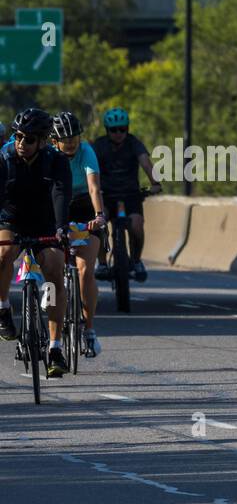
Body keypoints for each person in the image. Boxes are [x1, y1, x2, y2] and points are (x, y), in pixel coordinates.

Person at [0, 109, 72, 377]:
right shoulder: (4, 158)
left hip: (45, 222)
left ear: (43, 141)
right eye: (18, 136)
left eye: (28, 139)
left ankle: (55, 348)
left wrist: (62, 227)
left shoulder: (56, 160)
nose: (21, 143)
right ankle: (3, 308)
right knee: (4, 252)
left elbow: (61, 194)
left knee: (54, 269)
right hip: (12, 218)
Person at [51, 111, 107, 356]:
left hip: (84, 207)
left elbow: (94, 187)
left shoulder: (87, 151)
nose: (71, 141)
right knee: (50, 263)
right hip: (56, 205)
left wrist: (99, 216)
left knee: (85, 271)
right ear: (54, 141)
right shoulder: (50, 155)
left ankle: (89, 329)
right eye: (65, 138)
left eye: (74, 136)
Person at [91, 107, 161, 282]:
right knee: (99, 225)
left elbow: (145, 161)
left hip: (130, 195)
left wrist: (155, 183)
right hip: (105, 195)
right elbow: (90, 169)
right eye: (114, 130)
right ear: (107, 130)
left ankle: (136, 261)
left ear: (127, 128)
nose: (118, 133)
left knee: (137, 226)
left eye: (122, 129)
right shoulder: (98, 146)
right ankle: (101, 263)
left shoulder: (134, 143)